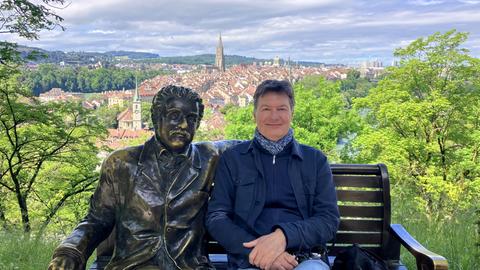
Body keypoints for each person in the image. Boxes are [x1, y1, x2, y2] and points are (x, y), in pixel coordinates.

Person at [49, 85, 236, 270]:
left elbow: (256, 146)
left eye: (191, 118)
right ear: (156, 118)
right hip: (133, 266)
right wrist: (70, 251)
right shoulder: (121, 164)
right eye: (174, 116)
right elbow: (97, 220)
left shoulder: (209, 156)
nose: (184, 125)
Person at [206, 80, 339, 270]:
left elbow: (328, 220)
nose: (274, 116)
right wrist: (260, 250)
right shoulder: (233, 159)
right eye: (266, 109)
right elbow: (216, 218)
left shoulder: (315, 161)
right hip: (249, 258)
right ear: (254, 114)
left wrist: (283, 237)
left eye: (282, 109)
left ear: (291, 113)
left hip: (304, 259)